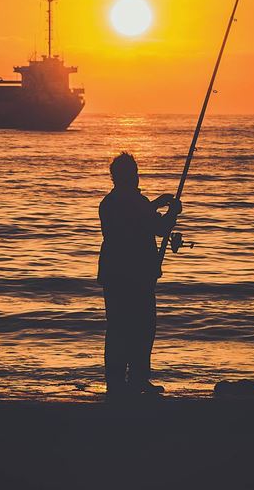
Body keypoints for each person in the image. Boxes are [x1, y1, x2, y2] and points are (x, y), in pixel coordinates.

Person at [98, 152, 181, 398]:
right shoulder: (137, 203)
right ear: (130, 175)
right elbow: (159, 228)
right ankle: (137, 380)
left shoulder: (109, 203)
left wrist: (155, 204)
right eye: (134, 172)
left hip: (113, 274)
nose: (137, 176)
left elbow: (134, 215)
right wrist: (173, 211)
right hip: (137, 275)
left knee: (117, 329)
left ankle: (115, 383)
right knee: (142, 329)